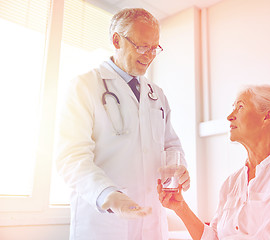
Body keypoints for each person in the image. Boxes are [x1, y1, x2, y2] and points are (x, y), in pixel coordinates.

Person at [54, 8, 190, 240]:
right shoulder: (84, 86)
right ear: (116, 40)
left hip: (152, 223)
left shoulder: (156, 94)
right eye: (142, 46)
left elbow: (171, 145)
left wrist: (180, 168)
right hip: (105, 223)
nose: (149, 55)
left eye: (154, 48)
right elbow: (71, 158)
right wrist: (109, 194)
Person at [158, 84, 270, 240]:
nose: (230, 116)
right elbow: (214, 237)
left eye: (240, 107)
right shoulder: (231, 183)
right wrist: (181, 208)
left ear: (267, 116)